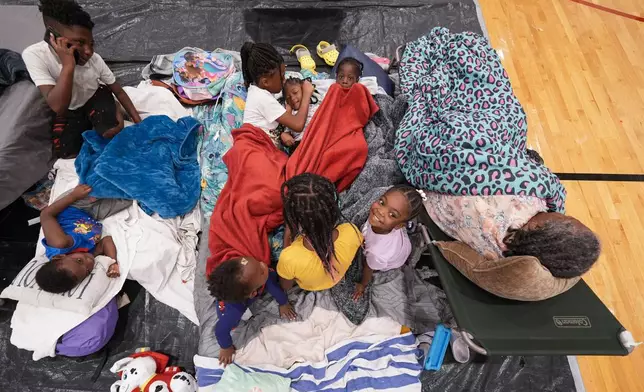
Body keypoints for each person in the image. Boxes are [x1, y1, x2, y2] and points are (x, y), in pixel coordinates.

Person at [22, 0, 141, 158]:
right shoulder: (34, 55)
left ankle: (112, 109)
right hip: (70, 107)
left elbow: (118, 90)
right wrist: (68, 66)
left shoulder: (95, 60)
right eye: (80, 42)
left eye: (91, 43)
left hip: (95, 96)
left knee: (110, 132)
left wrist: (138, 121)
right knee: (66, 152)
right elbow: (58, 107)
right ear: (55, 37)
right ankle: (90, 119)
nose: (88, 51)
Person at [424, 192, 601, 278]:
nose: (562, 213)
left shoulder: (519, 202)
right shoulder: (506, 253)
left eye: (566, 218)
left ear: (540, 227)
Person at [277, 173, 363, 291]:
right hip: (335, 279)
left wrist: (287, 235)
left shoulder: (288, 258)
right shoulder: (352, 231)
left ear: (296, 221)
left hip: (310, 285)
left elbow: (286, 286)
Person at [208, 256, 297, 366]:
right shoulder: (232, 313)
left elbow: (271, 285)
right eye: (261, 271)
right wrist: (226, 347)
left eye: (258, 262)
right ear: (253, 294)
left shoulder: (249, 270)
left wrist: (283, 303)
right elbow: (220, 331)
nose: (263, 264)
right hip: (231, 304)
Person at [36, 184, 121, 294]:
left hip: (73, 205)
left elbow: (46, 215)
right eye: (87, 271)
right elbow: (107, 241)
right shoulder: (88, 256)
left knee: (107, 185)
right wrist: (112, 262)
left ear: (59, 257)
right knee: (130, 199)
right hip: (91, 215)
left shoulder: (60, 244)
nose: (89, 262)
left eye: (79, 261)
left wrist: (74, 195)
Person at [353, 185, 425, 300]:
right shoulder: (382, 222)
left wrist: (362, 285)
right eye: (382, 202)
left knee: (367, 261)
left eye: (392, 215)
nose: (380, 211)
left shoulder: (377, 253)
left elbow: (368, 268)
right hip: (399, 244)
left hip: (391, 260)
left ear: (399, 225)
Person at [240, 42, 314, 147]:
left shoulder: (258, 89)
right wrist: (306, 94)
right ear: (265, 82)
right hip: (254, 148)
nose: (284, 81)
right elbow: (298, 124)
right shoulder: (261, 98)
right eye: (282, 77)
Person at [279, 77, 319, 149]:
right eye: (288, 98)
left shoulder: (316, 108)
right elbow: (287, 132)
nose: (292, 98)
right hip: (299, 145)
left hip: (317, 139)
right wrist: (284, 135)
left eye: (295, 92)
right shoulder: (291, 116)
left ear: (304, 91)